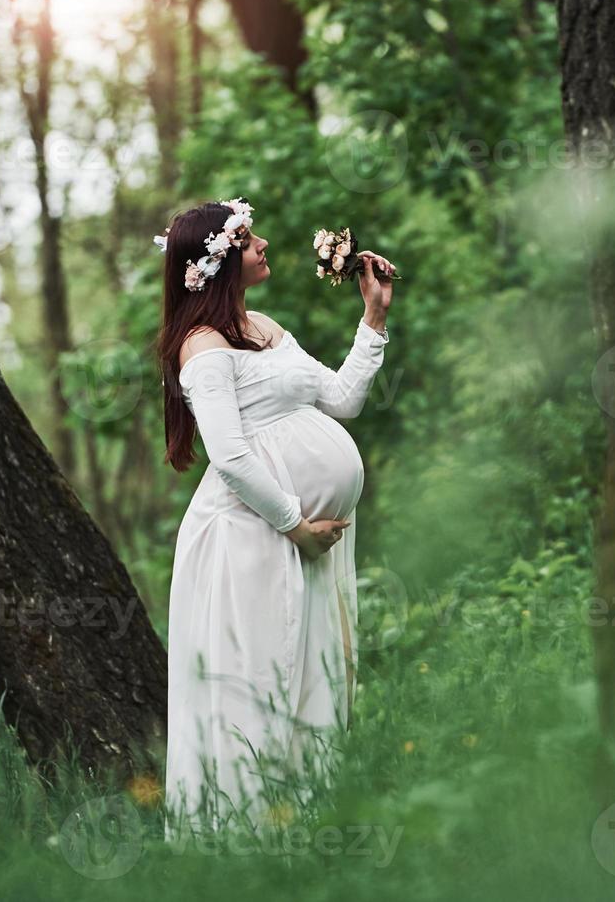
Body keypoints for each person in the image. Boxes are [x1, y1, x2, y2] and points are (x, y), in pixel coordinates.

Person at [155, 198, 397, 833]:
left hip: (303, 541)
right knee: (262, 676)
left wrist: (372, 319)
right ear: (220, 259)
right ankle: (245, 836)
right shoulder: (202, 348)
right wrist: (295, 525)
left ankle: (308, 827)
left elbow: (341, 401)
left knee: (310, 674)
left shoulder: (263, 325)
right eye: (248, 238)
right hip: (252, 539)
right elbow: (229, 456)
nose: (262, 245)